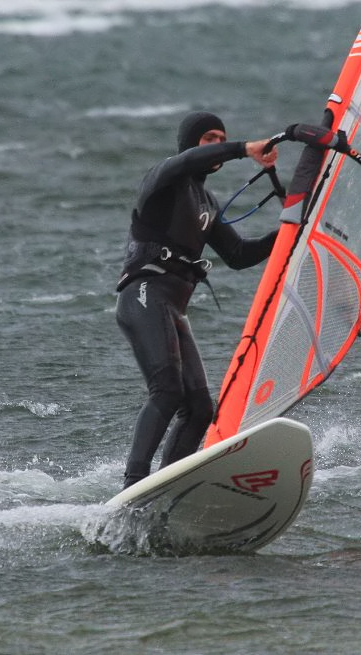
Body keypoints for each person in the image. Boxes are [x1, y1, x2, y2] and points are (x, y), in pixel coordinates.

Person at [115, 111, 280, 488]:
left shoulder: (207, 200)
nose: (217, 144)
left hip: (173, 307)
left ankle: (167, 484)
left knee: (200, 408)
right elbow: (189, 162)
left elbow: (237, 255)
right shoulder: (166, 176)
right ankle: (133, 483)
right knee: (168, 391)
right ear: (191, 143)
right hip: (144, 293)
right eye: (209, 138)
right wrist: (243, 148)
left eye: (222, 137)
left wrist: (287, 232)